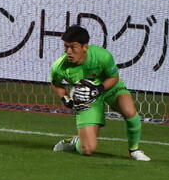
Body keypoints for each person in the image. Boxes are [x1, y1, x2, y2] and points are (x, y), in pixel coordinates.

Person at [50, 24, 150, 161]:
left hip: (108, 87)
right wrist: (65, 98)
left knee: (129, 110)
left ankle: (134, 150)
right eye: (66, 46)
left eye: (73, 47)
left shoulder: (102, 56)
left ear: (85, 47)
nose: (68, 51)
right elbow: (56, 84)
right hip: (87, 99)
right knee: (87, 149)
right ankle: (75, 141)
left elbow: (114, 77)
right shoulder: (59, 67)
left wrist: (99, 89)